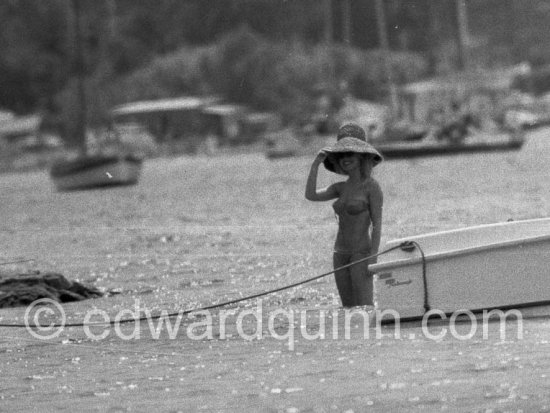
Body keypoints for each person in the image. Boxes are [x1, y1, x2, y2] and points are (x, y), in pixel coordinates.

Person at [305, 123, 384, 307]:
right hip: (339, 253)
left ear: (361, 156)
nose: (345, 159)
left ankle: (367, 335)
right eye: (341, 156)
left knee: (364, 307)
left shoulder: (371, 187)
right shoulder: (339, 188)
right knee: (347, 308)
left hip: (360, 253)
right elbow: (311, 195)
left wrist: (373, 257)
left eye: (350, 154)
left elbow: (377, 225)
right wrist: (315, 164)